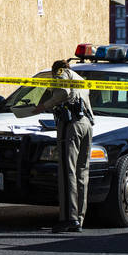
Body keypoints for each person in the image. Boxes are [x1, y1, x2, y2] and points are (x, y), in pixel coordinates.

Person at [35, 59, 94, 233]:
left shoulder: (61, 74)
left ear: (56, 70)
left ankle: (69, 218)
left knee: (67, 172)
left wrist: (44, 106)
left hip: (71, 126)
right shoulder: (80, 79)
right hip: (86, 125)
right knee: (82, 172)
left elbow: (62, 92)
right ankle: (79, 218)